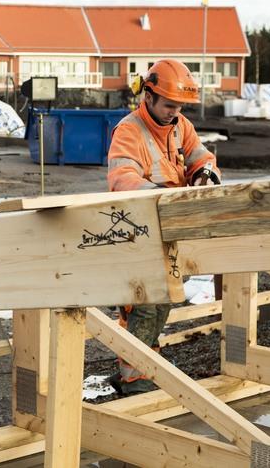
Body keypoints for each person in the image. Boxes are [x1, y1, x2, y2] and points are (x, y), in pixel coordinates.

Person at [107, 59, 221, 395]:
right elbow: (122, 180)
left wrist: (203, 176)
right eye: (170, 105)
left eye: (180, 106)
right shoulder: (128, 131)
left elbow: (203, 158)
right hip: (137, 230)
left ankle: (147, 358)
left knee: (166, 298)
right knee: (143, 303)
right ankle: (133, 375)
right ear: (149, 95)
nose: (175, 112)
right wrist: (167, 198)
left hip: (170, 228)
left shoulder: (180, 126)